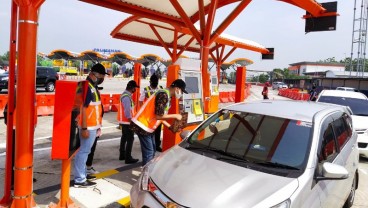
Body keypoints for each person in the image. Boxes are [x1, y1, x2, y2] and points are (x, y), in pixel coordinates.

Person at [131, 79, 187, 166]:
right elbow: (158, 116)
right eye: (181, 91)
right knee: (149, 152)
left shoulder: (166, 95)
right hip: (142, 125)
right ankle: (146, 175)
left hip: (147, 126)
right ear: (177, 88)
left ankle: (147, 169)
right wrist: (176, 115)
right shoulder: (163, 95)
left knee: (152, 149)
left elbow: (160, 116)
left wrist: (169, 126)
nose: (181, 94)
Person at [73, 63, 108, 188]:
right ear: (95, 74)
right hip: (88, 126)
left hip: (93, 126)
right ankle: (79, 179)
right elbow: (82, 108)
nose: (102, 78)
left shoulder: (92, 86)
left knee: (85, 151)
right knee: (83, 152)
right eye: (102, 75)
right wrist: (84, 128)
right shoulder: (87, 86)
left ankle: (82, 175)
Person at [139, 74, 164, 152]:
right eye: (154, 82)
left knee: (158, 130)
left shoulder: (160, 88)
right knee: (149, 131)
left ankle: (157, 145)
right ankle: (150, 146)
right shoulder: (145, 89)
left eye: (156, 82)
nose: (155, 83)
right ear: (150, 82)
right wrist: (144, 111)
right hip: (149, 115)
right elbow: (140, 101)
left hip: (158, 114)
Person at [117, 80, 140, 164]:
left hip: (124, 121)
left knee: (124, 137)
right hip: (127, 121)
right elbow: (127, 110)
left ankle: (122, 155)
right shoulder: (126, 96)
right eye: (135, 88)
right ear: (132, 88)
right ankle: (128, 157)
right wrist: (131, 121)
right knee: (130, 139)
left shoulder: (125, 95)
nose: (135, 90)